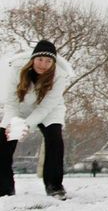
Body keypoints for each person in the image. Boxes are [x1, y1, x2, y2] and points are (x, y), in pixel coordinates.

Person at [0, 40, 74, 200]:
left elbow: (45, 108)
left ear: (53, 63)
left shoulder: (59, 76)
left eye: (48, 61)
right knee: (3, 140)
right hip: (19, 108)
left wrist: (27, 125)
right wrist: (13, 124)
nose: (43, 64)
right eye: (40, 59)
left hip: (49, 112)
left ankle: (54, 186)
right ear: (33, 59)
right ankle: (4, 188)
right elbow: (11, 102)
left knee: (54, 139)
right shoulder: (17, 70)